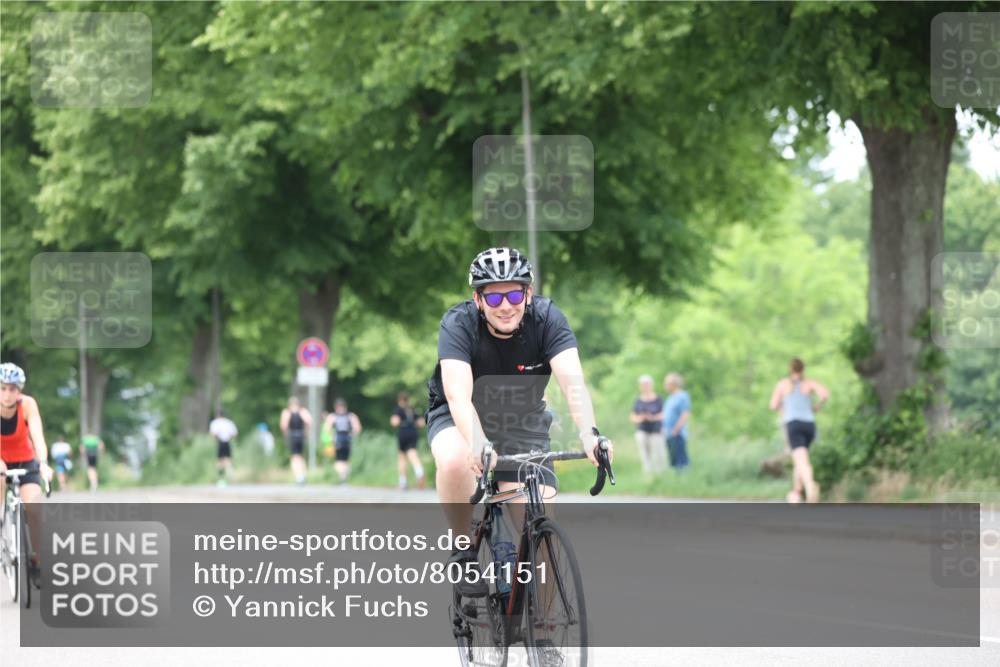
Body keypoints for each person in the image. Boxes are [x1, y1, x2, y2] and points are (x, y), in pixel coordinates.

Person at [425, 247, 614, 593]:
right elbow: (457, 395)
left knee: (540, 534)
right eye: (494, 297)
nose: (505, 305)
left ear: (528, 294)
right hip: (459, 416)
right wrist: (478, 444)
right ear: (478, 299)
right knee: (454, 462)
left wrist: (589, 434)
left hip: (521, 421)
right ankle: (464, 550)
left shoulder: (548, 320)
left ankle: (543, 635)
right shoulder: (457, 324)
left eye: (514, 293)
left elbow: (573, 384)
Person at [0, 362, 53, 582]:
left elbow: (38, 436)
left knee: (34, 508)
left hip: (25, 460)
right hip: (1, 462)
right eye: (2, 388)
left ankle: (37, 560)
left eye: (12, 389)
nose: (7, 394)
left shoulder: (28, 405)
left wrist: (43, 463)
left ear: (19, 390)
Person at [769, 357, 830, 503]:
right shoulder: (808, 383)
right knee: (800, 459)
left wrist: (783, 411)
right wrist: (816, 407)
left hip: (793, 424)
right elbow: (824, 394)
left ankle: (810, 485)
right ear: (803, 369)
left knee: (801, 460)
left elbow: (773, 405)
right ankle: (796, 493)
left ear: (790, 369)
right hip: (809, 424)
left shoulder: (783, 384)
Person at [630, 375, 666, 473]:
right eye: (643, 384)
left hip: (656, 430)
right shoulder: (638, 400)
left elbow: (664, 414)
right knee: (645, 454)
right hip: (642, 430)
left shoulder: (658, 399)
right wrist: (641, 418)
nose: (645, 386)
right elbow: (633, 416)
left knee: (657, 453)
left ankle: (659, 474)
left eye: (647, 384)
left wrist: (652, 418)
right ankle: (648, 474)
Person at [391, 392, 426, 490]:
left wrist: (396, 421)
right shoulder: (412, 409)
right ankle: (420, 472)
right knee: (413, 454)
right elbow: (421, 422)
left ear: (399, 400)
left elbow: (394, 422)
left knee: (402, 458)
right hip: (413, 432)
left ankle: (403, 483)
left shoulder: (398, 409)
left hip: (403, 432)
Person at [325, 398, 361, 484]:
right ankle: (344, 478)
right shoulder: (351, 416)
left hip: (338, 439)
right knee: (345, 460)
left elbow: (327, 428)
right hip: (347, 439)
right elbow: (358, 428)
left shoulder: (333, 416)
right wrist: (351, 435)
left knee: (338, 461)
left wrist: (332, 436)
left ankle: (342, 477)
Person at [662, 372, 692, 472]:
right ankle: (677, 480)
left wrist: (676, 429)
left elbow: (685, 414)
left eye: (667, 384)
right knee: (673, 460)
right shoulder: (670, 398)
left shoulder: (682, 396)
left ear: (674, 384)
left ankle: (684, 481)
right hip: (669, 433)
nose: (665, 386)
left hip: (677, 433)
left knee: (681, 460)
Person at [280, 396, 312, 485]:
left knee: (294, 457)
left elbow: (284, 426)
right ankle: (302, 475)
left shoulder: (287, 412)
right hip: (301, 435)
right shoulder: (303, 412)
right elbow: (309, 422)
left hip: (293, 436)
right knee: (301, 456)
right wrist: (307, 432)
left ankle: (299, 477)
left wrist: (286, 435)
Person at [208, 411, 238, 487]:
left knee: (220, 461)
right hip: (227, 441)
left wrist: (216, 438)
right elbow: (234, 434)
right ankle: (231, 477)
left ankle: (221, 479)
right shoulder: (229, 422)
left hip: (220, 442)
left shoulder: (215, 422)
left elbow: (213, 434)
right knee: (228, 460)